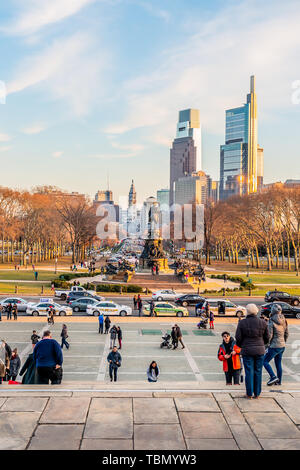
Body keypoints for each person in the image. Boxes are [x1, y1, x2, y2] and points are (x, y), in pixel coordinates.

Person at [235, 304, 269, 399]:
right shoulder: (263, 322)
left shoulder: (242, 323)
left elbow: (238, 338)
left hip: (247, 350)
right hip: (260, 350)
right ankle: (257, 393)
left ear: (247, 311)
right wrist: (262, 344)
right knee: (258, 371)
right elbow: (267, 337)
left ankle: (249, 393)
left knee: (249, 371)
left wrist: (242, 346)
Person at [263, 303, 289, 386]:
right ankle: (279, 381)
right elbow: (286, 333)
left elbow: (269, 335)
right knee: (278, 364)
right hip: (282, 346)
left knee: (264, 361)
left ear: (272, 311)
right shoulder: (284, 319)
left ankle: (273, 376)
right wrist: (283, 341)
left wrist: (266, 346)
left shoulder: (272, 320)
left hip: (274, 346)